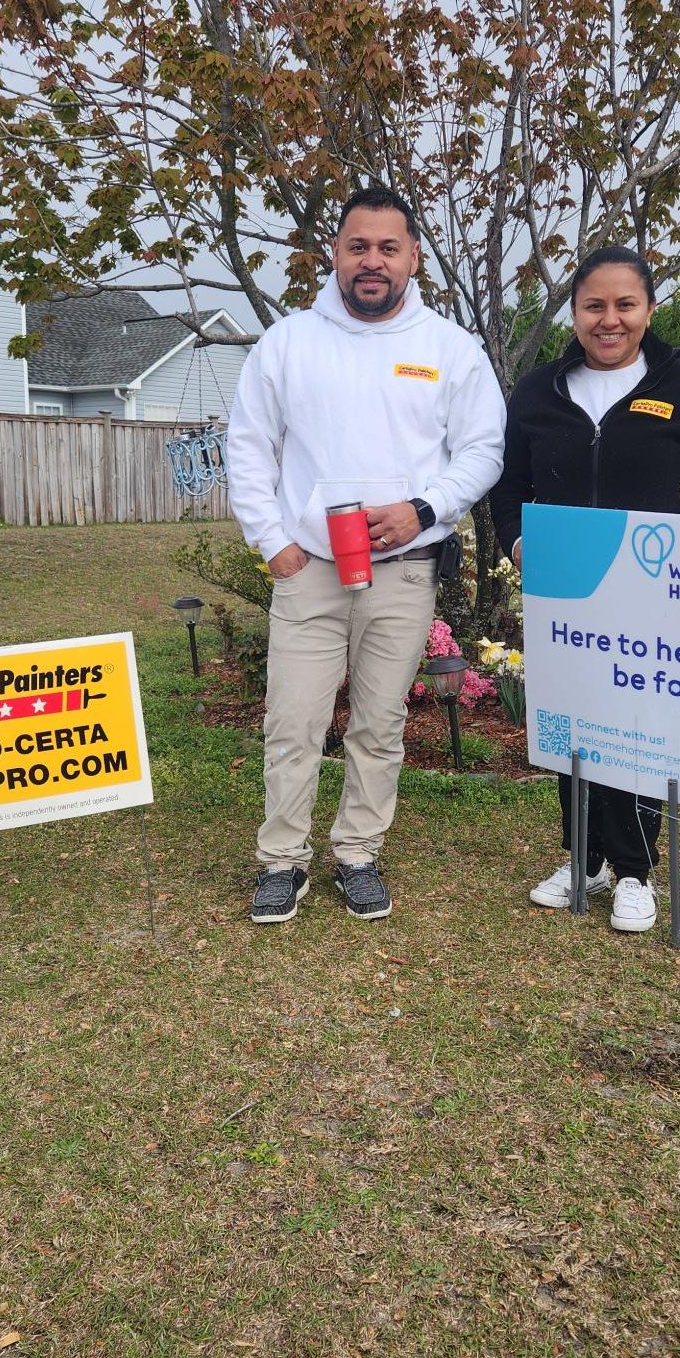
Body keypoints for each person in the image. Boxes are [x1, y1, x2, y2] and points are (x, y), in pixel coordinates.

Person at [226, 184, 506, 923]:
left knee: (379, 724)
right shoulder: (289, 342)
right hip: (311, 571)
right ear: (336, 255)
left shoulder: (449, 349)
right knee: (294, 722)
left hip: (406, 572)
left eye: (389, 248)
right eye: (358, 247)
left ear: (414, 257)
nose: (372, 262)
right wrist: (274, 543)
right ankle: (281, 862)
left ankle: (357, 853)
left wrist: (424, 509)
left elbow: (483, 451)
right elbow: (249, 448)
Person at [490, 245, 680, 933]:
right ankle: (585, 858)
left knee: (636, 730)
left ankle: (634, 871)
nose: (609, 320)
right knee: (571, 721)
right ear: (574, 313)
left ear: (649, 310)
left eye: (625, 304)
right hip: (566, 589)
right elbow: (510, 488)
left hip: (649, 592)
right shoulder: (539, 391)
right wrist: (517, 542)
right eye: (593, 305)